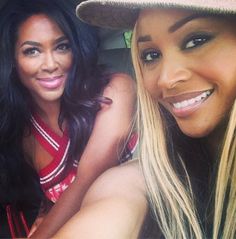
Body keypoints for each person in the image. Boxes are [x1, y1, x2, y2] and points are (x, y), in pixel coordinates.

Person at [53, 0, 236, 238]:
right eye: (151, 55)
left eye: (196, 41)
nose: (166, 79)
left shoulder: (116, 89)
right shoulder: (138, 183)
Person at [0, 0, 135, 238]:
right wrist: (45, 211)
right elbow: (57, 193)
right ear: (13, 60)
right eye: (32, 51)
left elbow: (86, 181)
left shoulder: (115, 90)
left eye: (62, 47)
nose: (51, 64)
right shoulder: (24, 132)